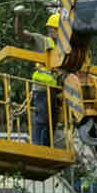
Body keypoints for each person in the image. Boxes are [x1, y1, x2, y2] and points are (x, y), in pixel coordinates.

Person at [29, 14, 64, 148]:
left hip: (53, 90)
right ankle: (37, 145)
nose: (52, 32)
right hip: (42, 87)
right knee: (42, 118)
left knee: (52, 120)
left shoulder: (61, 48)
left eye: (53, 29)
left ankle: (47, 146)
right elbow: (23, 35)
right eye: (51, 29)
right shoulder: (44, 41)